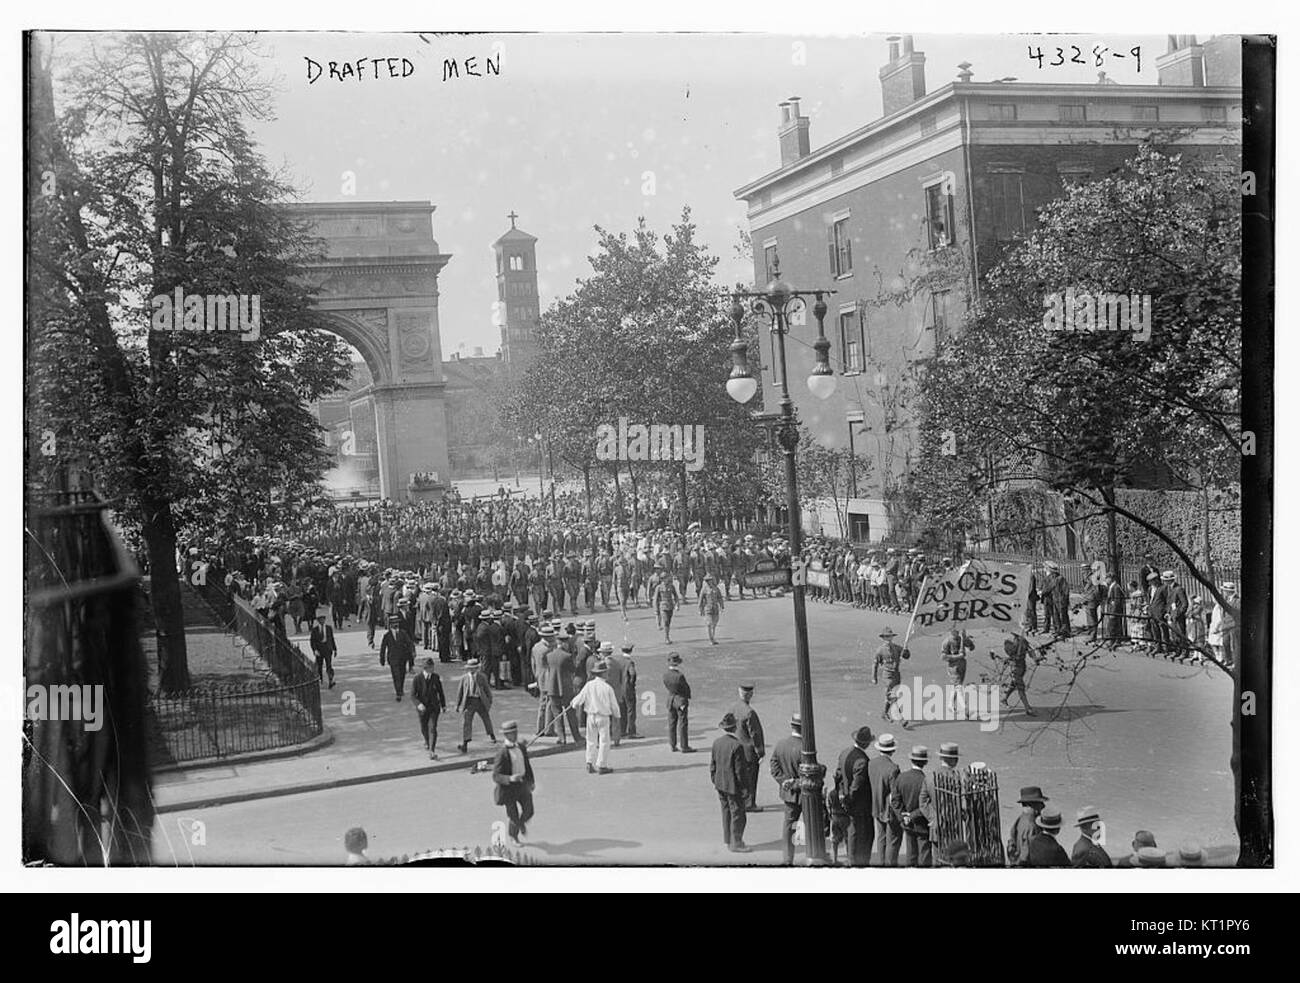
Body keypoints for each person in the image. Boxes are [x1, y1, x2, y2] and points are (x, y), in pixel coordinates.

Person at [570, 658, 620, 774]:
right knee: (604, 741)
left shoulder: (589, 685)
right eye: (606, 672)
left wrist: (573, 703)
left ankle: (589, 762)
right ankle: (602, 765)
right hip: (603, 717)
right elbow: (614, 705)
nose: (608, 674)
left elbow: (580, 698)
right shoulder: (607, 688)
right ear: (602, 673)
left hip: (590, 716)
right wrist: (617, 716)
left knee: (591, 740)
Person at [834, 726, 875, 867]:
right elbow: (856, 787)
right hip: (859, 804)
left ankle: (852, 858)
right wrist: (849, 799)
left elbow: (838, 776)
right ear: (866, 743)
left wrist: (841, 795)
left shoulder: (844, 752)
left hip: (845, 799)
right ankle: (858, 861)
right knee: (862, 834)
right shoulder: (862, 761)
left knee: (852, 832)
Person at [710, 711, 750, 853]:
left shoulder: (717, 743)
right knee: (738, 814)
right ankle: (736, 843)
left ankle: (728, 839)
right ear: (735, 728)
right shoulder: (737, 746)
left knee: (726, 811)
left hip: (720, 784)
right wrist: (745, 789)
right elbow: (740, 771)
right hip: (733, 786)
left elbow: (713, 765)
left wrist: (715, 780)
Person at [769, 712, 805, 866]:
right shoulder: (805, 747)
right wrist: (795, 782)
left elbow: (774, 765)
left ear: (791, 726)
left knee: (788, 827)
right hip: (804, 794)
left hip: (788, 794)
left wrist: (784, 781)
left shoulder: (781, 744)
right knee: (809, 825)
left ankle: (787, 859)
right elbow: (809, 773)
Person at [491, 721, 535, 845]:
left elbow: (527, 765)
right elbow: (496, 776)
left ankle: (521, 824)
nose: (514, 735)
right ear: (505, 735)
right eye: (511, 734)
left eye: (515, 732)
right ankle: (513, 836)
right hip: (508, 788)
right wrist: (510, 778)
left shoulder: (521, 747)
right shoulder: (502, 753)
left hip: (522, 784)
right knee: (513, 815)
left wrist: (531, 781)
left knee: (529, 810)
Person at [891, 744, 932, 867]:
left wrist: (903, 816)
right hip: (922, 823)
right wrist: (912, 815)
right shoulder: (926, 780)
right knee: (924, 856)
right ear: (924, 762)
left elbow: (895, 800)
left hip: (908, 824)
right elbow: (927, 804)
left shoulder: (901, 777)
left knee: (911, 855)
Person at [868, 733, 901, 866]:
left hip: (876, 805)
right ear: (892, 750)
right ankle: (890, 864)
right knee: (891, 839)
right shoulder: (893, 768)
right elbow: (894, 794)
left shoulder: (871, 763)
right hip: (889, 809)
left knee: (881, 837)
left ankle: (882, 863)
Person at [732, 683, 765, 811]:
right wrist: (760, 751)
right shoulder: (750, 713)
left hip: (736, 746)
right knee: (751, 777)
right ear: (751, 694)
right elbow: (755, 734)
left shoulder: (733, 707)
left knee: (739, 775)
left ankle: (740, 800)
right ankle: (749, 803)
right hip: (748, 751)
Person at [454, 658, 498, 753]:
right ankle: (465, 743)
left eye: (474, 668)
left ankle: (491, 734)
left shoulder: (482, 677)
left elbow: (487, 690)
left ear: (477, 668)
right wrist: (457, 705)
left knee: (486, 718)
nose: (472, 670)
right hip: (469, 702)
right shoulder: (464, 678)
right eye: (470, 668)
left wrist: (489, 701)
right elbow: (460, 692)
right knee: (467, 722)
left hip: (480, 701)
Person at [872, 627, 912, 728]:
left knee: (890, 697)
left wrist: (906, 650)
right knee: (893, 697)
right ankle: (901, 719)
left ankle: (884, 713)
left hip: (896, 675)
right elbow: (875, 664)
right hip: (887, 676)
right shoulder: (880, 650)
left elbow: (906, 656)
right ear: (883, 638)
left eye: (890, 636)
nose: (888, 638)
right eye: (886, 636)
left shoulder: (897, 648)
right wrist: (874, 677)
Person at [412, 658, 447, 759]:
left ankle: (432, 750)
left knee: (432, 728)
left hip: (434, 707)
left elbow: (440, 692)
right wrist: (418, 704)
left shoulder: (436, 677)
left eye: (432, 667)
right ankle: (427, 741)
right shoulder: (417, 678)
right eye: (430, 668)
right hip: (422, 709)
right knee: (424, 728)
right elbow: (413, 695)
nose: (432, 669)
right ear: (425, 668)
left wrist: (443, 705)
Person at [1006, 786, 1048, 867]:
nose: (1043, 806)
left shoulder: (1020, 819)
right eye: (1040, 803)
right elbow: (1027, 855)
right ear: (1031, 804)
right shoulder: (1032, 826)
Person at [1000, 630, 1037, 716]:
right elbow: (1009, 653)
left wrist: (1035, 658)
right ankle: (1027, 708)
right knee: (1021, 687)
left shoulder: (1023, 640)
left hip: (1022, 666)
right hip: (1015, 667)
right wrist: (1014, 655)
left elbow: (1030, 650)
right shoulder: (1008, 641)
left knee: (1014, 684)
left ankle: (1004, 698)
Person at [939, 628, 974, 720]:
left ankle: (950, 705)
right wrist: (957, 656)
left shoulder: (961, 638)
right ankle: (965, 708)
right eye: (954, 631)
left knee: (957, 686)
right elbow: (943, 657)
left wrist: (965, 638)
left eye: (957, 631)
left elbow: (972, 647)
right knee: (958, 687)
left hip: (962, 664)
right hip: (953, 666)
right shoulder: (946, 642)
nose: (956, 633)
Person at [379, 615, 415, 701]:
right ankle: (398, 692)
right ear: (390, 625)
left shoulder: (403, 633)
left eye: (397, 622)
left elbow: (409, 643)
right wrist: (382, 659)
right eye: (394, 623)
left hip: (403, 657)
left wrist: (412, 651)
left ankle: (401, 688)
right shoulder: (387, 635)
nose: (396, 624)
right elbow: (383, 648)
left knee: (402, 674)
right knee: (396, 675)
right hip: (393, 658)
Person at [663, 652, 694, 752]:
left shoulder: (666, 674)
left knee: (672, 723)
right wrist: (686, 697)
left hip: (670, 699)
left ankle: (672, 744)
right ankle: (684, 746)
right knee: (683, 723)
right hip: (680, 700)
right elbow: (685, 688)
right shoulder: (680, 676)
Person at [602, 641, 630, 746]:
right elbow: (621, 679)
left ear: (603, 653)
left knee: (604, 717)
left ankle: (606, 738)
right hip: (616, 693)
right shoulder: (617, 663)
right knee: (616, 717)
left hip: (605, 695)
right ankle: (617, 738)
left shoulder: (602, 665)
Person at [310, 612, 337, 689]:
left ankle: (330, 680)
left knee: (329, 665)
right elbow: (313, 641)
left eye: (323, 619)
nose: (322, 621)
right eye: (320, 620)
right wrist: (315, 650)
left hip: (328, 649)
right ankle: (320, 679)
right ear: (318, 621)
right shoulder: (315, 630)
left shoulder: (329, 628)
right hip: (319, 650)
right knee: (319, 666)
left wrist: (335, 649)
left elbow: (332, 638)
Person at [654, 573, 682, 644]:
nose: (665, 580)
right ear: (661, 579)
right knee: (666, 621)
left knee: (668, 622)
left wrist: (677, 605)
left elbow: (675, 596)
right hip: (663, 606)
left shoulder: (671, 586)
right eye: (664, 578)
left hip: (670, 606)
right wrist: (656, 609)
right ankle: (667, 637)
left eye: (666, 578)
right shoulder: (659, 587)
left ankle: (667, 634)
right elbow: (655, 599)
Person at [698, 573, 725, 645]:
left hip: (715, 608)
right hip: (708, 608)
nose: (709, 582)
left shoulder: (716, 588)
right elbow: (700, 599)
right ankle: (711, 639)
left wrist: (722, 606)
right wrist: (700, 609)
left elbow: (720, 598)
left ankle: (713, 637)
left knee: (714, 623)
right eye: (707, 581)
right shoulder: (704, 589)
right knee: (709, 624)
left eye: (710, 580)